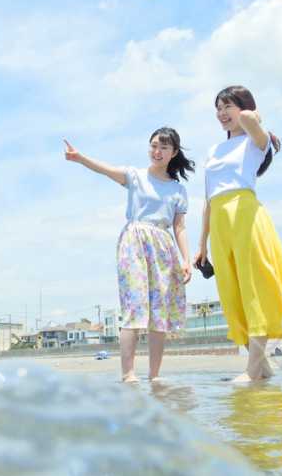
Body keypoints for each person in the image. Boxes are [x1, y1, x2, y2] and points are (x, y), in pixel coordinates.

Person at [193, 86, 282, 383]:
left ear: (244, 107)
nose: (221, 113)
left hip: (246, 214)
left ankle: (251, 370)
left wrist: (255, 118)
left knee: (253, 289)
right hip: (220, 219)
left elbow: (248, 117)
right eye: (218, 108)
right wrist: (202, 245)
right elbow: (208, 201)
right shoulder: (213, 150)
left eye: (227, 106)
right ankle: (263, 368)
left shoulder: (256, 141)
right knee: (231, 294)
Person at [64, 128, 194, 383]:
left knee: (159, 314)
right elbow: (105, 169)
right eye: (154, 145)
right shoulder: (135, 176)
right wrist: (80, 158)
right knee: (134, 308)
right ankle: (129, 374)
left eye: (164, 147)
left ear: (173, 153)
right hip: (134, 241)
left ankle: (154, 375)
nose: (157, 151)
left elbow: (179, 227)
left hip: (163, 245)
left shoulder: (178, 190)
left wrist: (186, 259)